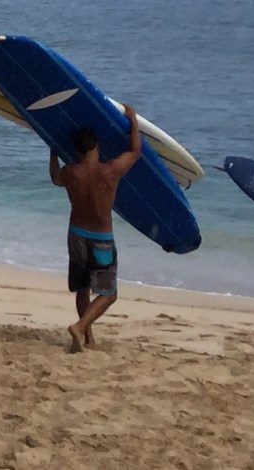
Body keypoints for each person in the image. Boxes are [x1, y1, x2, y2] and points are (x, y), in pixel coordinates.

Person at [48, 109, 143, 353]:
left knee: (83, 288)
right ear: (96, 147)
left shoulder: (70, 173)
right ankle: (80, 328)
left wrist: (52, 151)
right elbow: (135, 152)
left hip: (76, 236)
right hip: (101, 239)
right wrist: (132, 120)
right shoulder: (110, 171)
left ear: (78, 152)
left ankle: (87, 339)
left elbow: (55, 179)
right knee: (108, 294)